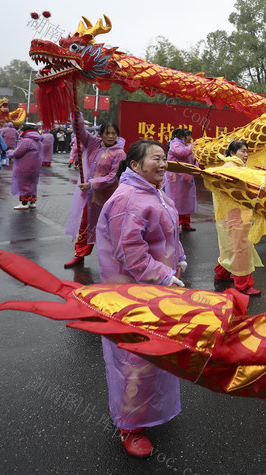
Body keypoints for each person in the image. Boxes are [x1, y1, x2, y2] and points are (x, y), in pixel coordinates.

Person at [95, 138, 186, 457]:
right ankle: (129, 426)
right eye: (155, 159)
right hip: (130, 297)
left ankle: (150, 411)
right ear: (134, 165)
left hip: (155, 293)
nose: (162, 164)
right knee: (133, 359)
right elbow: (130, 253)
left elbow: (169, 231)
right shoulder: (128, 198)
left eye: (164, 158)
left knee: (155, 354)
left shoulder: (154, 191)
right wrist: (164, 274)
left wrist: (180, 256)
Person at [64, 115, 127, 268]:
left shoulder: (120, 154)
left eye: (114, 133)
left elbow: (113, 177)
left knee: (113, 229)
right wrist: (77, 115)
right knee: (86, 226)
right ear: (101, 135)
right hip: (92, 198)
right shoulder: (93, 144)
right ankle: (79, 255)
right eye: (107, 133)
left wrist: (92, 183)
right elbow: (80, 130)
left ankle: (118, 260)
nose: (111, 136)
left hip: (110, 199)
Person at [212, 140, 262, 295]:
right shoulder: (233, 169)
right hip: (236, 217)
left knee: (229, 247)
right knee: (241, 249)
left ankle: (222, 273)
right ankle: (243, 285)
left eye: (247, 152)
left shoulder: (234, 167)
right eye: (243, 151)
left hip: (232, 216)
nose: (246, 155)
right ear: (232, 153)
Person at [165, 129, 197, 231]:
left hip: (185, 178)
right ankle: (176, 225)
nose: (190, 138)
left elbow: (191, 160)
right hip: (176, 179)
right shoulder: (175, 144)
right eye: (188, 135)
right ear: (182, 137)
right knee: (176, 202)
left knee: (186, 201)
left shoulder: (185, 145)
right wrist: (193, 146)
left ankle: (185, 223)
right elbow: (182, 153)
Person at [8, 123, 43, 210]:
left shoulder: (26, 141)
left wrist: (9, 153)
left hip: (24, 167)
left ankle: (24, 203)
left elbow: (18, 152)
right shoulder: (38, 140)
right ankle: (32, 202)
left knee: (24, 184)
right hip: (35, 167)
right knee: (33, 184)